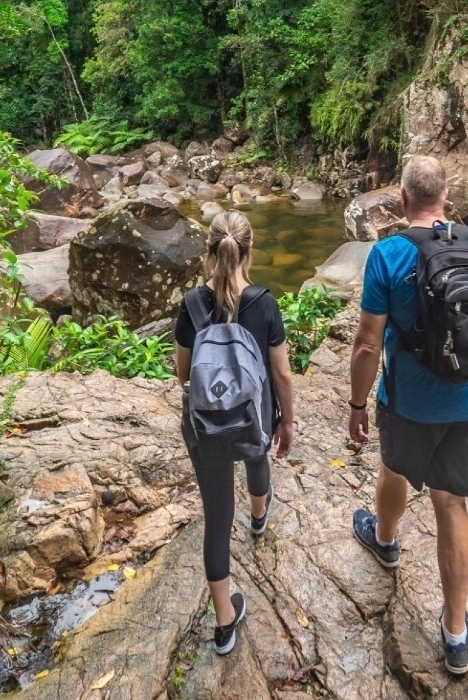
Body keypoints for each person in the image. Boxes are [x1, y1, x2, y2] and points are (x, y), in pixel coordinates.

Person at [347, 155, 468, 676]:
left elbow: (367, 343)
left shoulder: (387, 254)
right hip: (466, 400)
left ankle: (387, 541)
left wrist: (356, 405)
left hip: (408, 400)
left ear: (401, 199)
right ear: (446, 196)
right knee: (452, 505)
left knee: (394, 468)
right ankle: (457, 632)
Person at [175, 209, 294, 656]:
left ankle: (224, 623)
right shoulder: (264, 303)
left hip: (207, 426)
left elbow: (183, 374)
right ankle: (260, 516)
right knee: (257, 456)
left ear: (209, 251)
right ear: (250, 250)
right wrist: (287, 421)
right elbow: (281, 375)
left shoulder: (190, 304)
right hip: (254, 415)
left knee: (218, 517)